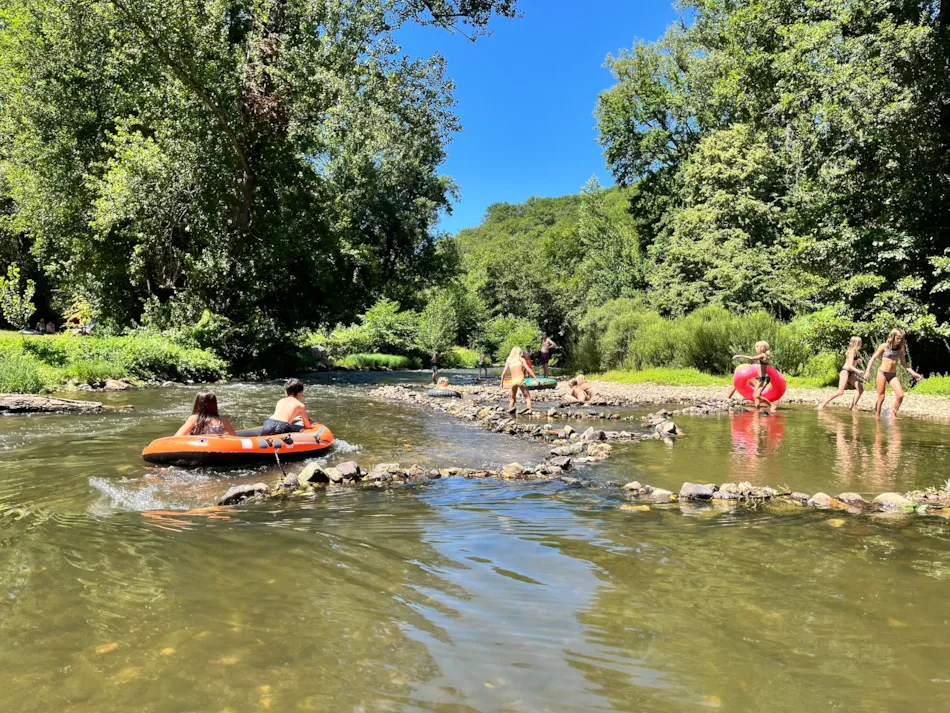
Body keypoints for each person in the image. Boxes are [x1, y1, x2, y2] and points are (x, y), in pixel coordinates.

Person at [864, 328, 923, 417]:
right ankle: (877, 417)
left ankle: (892, 415)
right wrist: (867, 371)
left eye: (901, 339)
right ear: (892, 337)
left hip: (892, 375)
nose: (899, 340)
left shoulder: (900, 349)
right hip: (882, 373)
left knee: (900, 395)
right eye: (897, 338)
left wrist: (914, 373)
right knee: (881, 397)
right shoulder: (884, 346)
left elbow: (904, 363)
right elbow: (873, 358)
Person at [818, 336, 866, 411]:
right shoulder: (852, 352)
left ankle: (853, 407)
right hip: (845, 372)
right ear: (855, 343)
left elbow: (853, 362)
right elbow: (849, 365)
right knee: (840, 392)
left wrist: (857, 361)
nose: (861, 343)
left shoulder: (856, 352)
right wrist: (858, 371)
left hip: (850, 372)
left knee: (860, 388)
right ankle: (822, 404)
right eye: (860, 342)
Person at [733, 341, 773, 410]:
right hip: (761, 378)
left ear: (762, 348)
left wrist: (740, 356)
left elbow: (752, 358)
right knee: (755, 395)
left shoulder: (763, 355)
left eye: (757, 347)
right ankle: (758, 409)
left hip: (764, 379)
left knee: (757, 395)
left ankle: (771, 406)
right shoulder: (763, 355)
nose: (756, 349)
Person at [500, 346, 536, 413]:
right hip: (521, 380)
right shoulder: (521, 359)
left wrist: (501, 383)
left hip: (513, 381)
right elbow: (528, 369)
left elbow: (503, 373)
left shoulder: (509, 360)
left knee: (512, 399)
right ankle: (529, 411)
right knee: (527, 398)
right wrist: (535, 379)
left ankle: (510, 412)